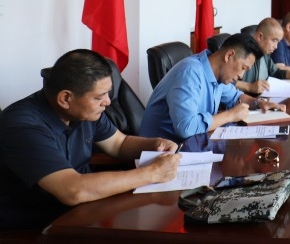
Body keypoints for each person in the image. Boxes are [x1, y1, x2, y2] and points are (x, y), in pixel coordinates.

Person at [0, 49, 182, 230]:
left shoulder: (84, 111)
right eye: (99, 97)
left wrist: (156, 144)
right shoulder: (22, 126)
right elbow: (72, 190)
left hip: (83, 211)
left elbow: (119, 144)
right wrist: (152, 173)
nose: (108, 102)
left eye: (108, 93)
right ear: (65, 98)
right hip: (36, 227)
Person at [140, 33, 283, 141]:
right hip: (159, 152)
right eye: (243, 68)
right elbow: (186, 127)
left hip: (190, 144)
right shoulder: (190, 72)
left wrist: (259, 103)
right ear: (229, 55)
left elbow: (236, 97)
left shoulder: (217, 73)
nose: (241, 75)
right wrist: (230, 115)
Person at [236, 18, 290, 96]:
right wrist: (249, 87)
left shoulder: (264, 54)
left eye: (278, 42)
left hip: (260, 99)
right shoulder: (241, 52)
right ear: (260, 36)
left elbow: (276, 72)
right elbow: (227, 81)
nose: (276, 47)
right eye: (274, 41)